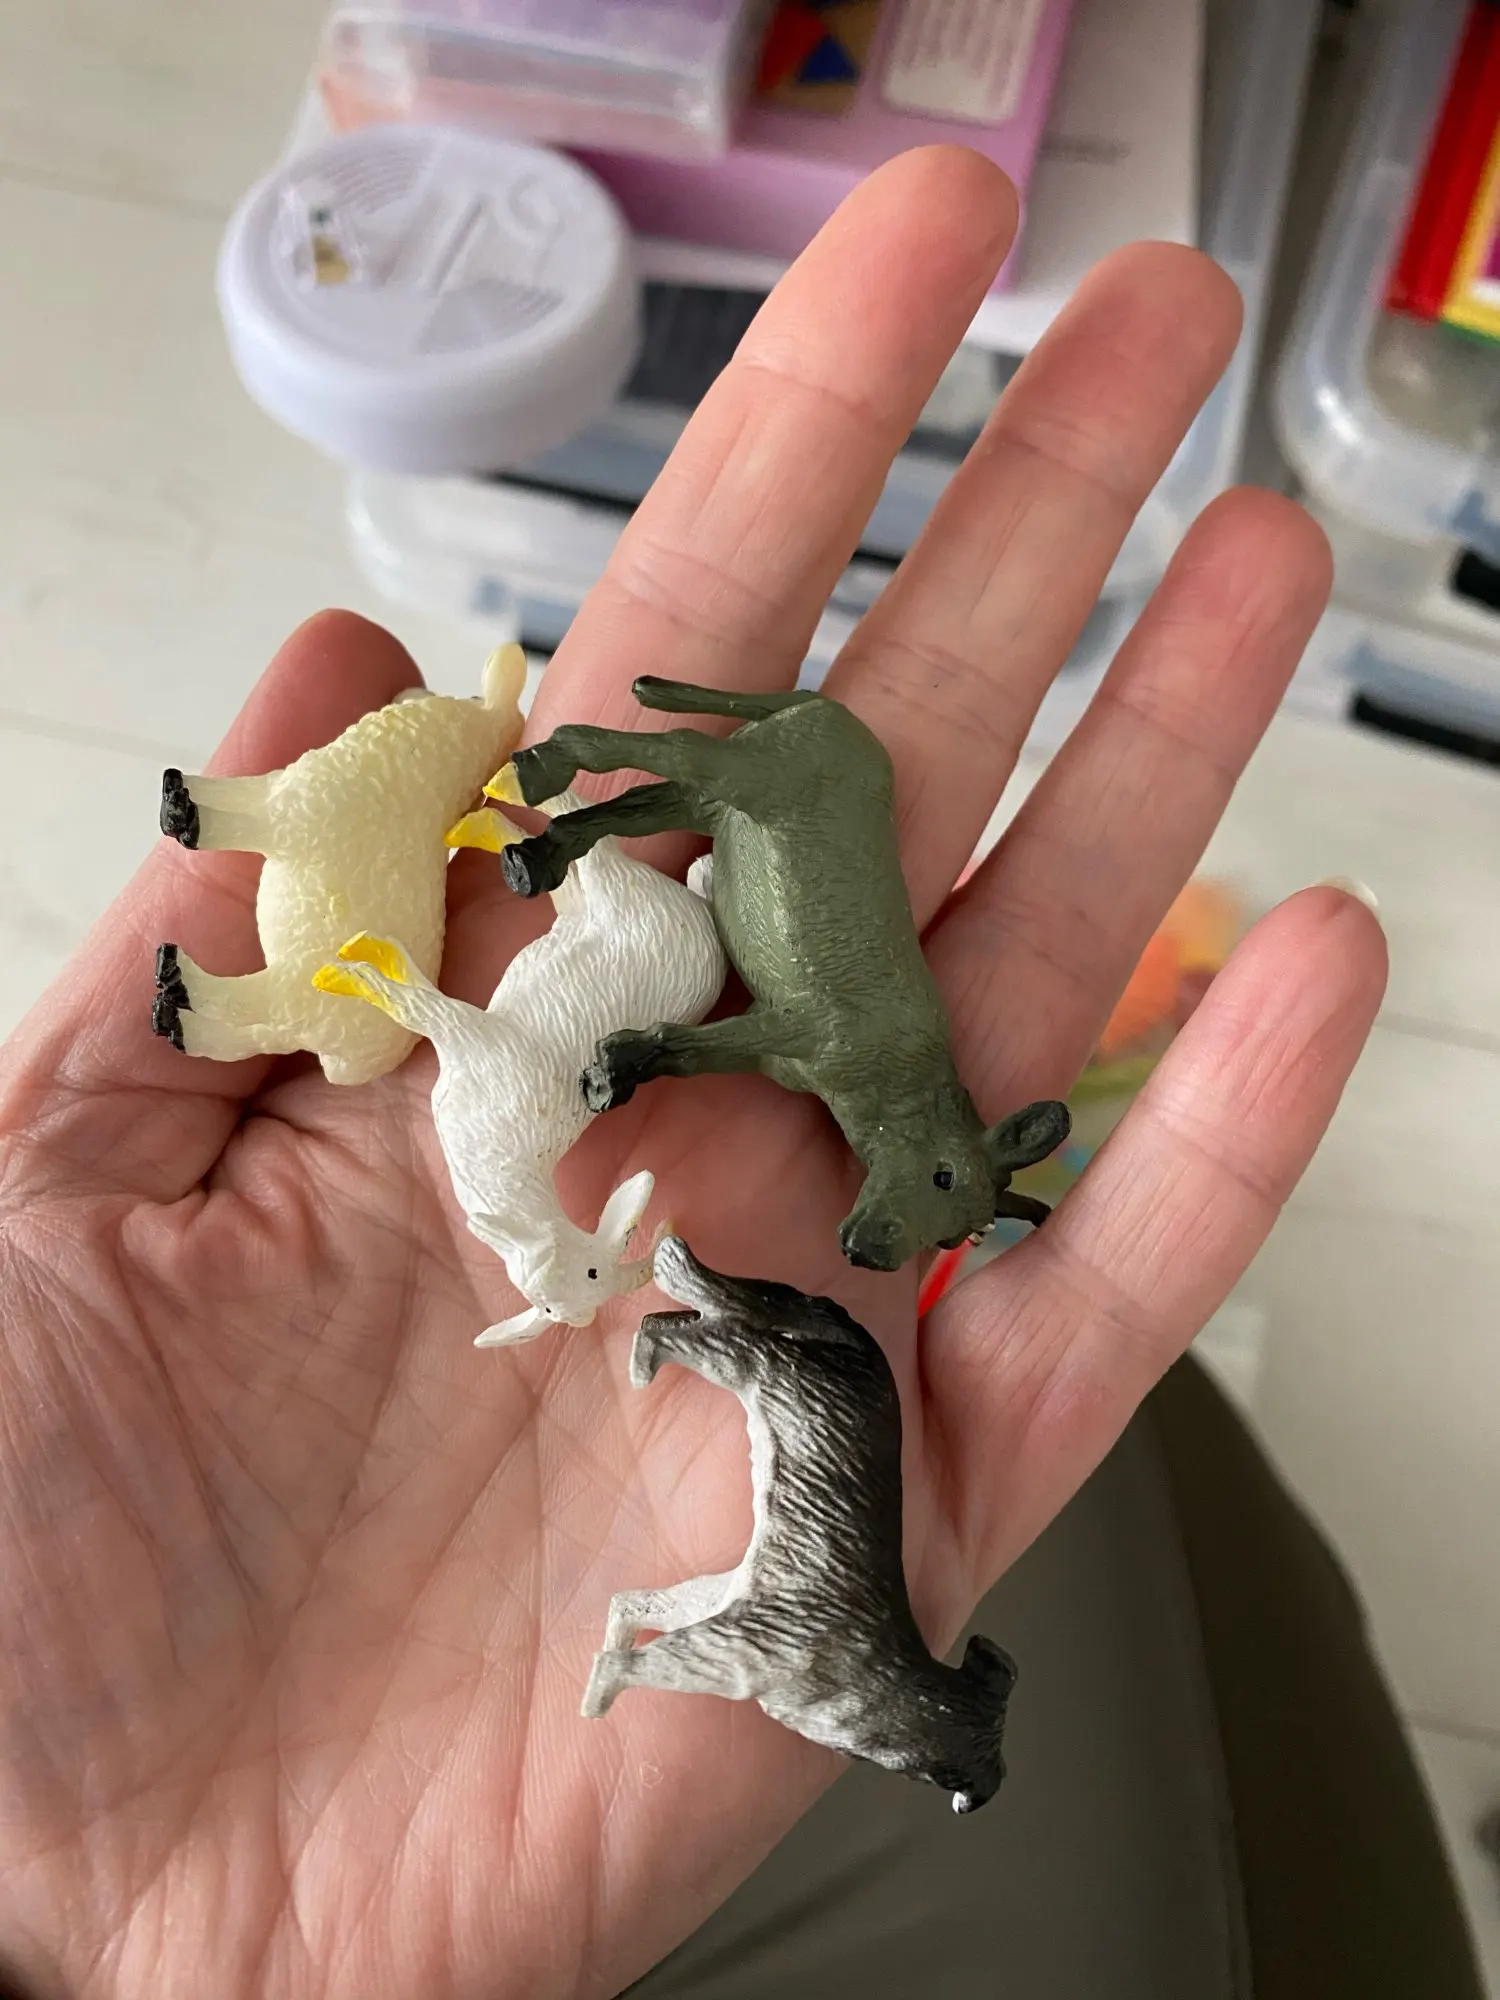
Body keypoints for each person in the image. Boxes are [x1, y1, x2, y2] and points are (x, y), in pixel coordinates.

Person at [0, 146, 1456, 1998]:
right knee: (1144, 1496)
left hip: (652, 1013)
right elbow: (588, 1073)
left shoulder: (683, 1122)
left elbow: (577, 1066)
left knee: (1136, 1486)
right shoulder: (680, 1127)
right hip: (654, 1014)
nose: (894, 1220)